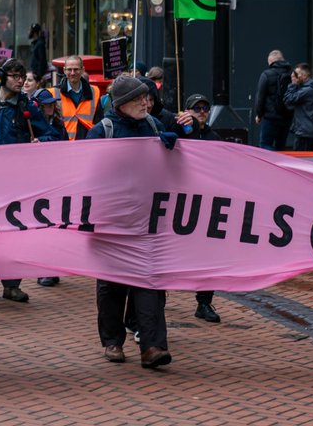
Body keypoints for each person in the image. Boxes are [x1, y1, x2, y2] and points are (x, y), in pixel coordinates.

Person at [85, 75, 178, 370]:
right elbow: (86, 174)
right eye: (138, 98)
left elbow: (175, 170)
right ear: (122, 103)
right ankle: (112, 341)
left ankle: (152, 346)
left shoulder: (154, 127)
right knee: (112, 285)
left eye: (146, 97)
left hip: (148, 220)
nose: (145, 102)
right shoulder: (104, 131)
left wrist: (174, 147)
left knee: (150, 280)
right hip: (111, 220)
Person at [0, 58, 44, 297]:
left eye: (21, 76)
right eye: (14, 75)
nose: (20, 80)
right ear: (2, 77)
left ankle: (12, 284)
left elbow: (52, 133)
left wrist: (41, 142)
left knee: (14, 231)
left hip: (16, 180)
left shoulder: (28, 106)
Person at [174, 93, 223, 323]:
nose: (202, 111)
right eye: (197, 108)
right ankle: (157, 295)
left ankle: (204, 302)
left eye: (205, 107)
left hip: (206, 202)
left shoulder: (214, 137)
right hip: (179, 202)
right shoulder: (176, 132)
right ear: (187, 111)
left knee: (209, 252)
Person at [52, 55, 102, 140]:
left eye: (76, 69)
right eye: (69, 69)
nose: (72, 73)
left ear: (83, 70)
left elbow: (99, 121)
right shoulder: (54, 93)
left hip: (88, 142)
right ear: (64, 70)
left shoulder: (95, 91)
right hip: (63, 144)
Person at [254, 50, 294, 150]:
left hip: (270, 117)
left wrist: (259, 114)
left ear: (271, 61)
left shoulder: (266, 74)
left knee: (265, 144)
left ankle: (268, 165)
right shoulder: (292, 74)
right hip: (287, 117)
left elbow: (260, 97)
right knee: (281, 146)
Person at [283, 63, 313, 152]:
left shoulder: (307, 90)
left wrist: (293, 84)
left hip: (305, 133)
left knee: (301, 161)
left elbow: (288, 99)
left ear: (304, 76)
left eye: (296, 74)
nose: (294, 76)